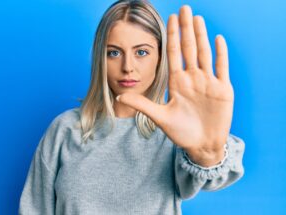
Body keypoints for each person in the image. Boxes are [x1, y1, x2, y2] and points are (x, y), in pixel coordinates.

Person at [18, 0, 245, 214]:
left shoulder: (174, 134)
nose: (128, 67)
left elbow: (214, 176)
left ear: (159, 58)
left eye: (142, 52)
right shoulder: (65, 129)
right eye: (114, 53)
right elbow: (33, 209)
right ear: (100, 58)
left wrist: (208, 153)